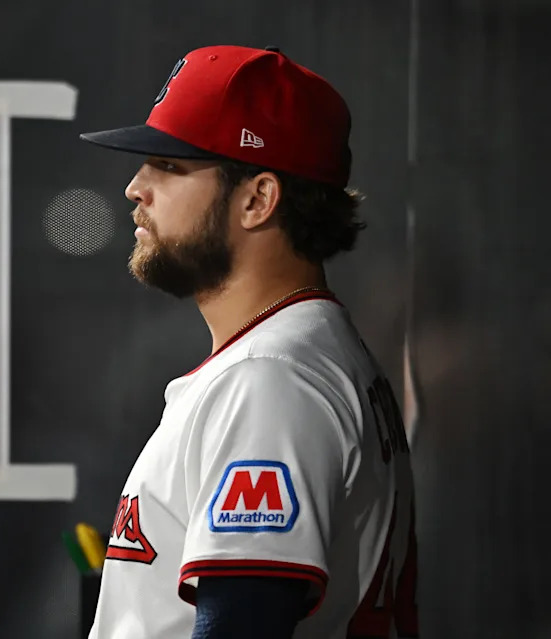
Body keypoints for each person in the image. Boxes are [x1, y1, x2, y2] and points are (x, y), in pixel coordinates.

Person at [79, 45, 418, 639]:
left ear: (258, 199)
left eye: (169, 164)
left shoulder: (270, 380)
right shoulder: (299, 353)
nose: (136, 187)